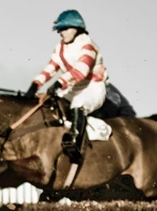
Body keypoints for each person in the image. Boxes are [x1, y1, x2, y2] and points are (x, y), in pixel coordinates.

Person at [25, 9, 107, 162]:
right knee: (49, 103)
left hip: (92, 87)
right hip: (73, 87)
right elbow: (51, 68)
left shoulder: (88, 45)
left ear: (77, 28)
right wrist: (35, 85)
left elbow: (81, 71)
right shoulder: (60, 48)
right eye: (60, 29)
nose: (61, 32)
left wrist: (59, 83)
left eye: (65, 29)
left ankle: (75, 143)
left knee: (78, 103)